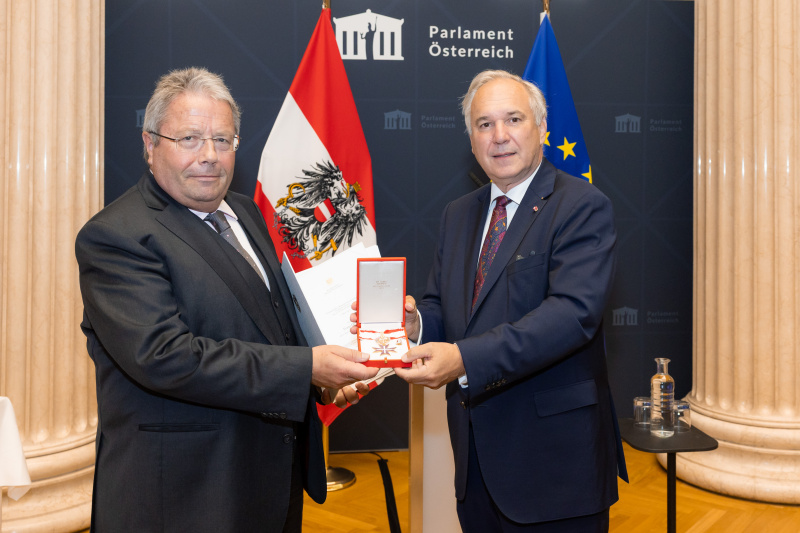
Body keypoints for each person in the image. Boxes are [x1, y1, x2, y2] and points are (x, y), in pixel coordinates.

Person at [75, 67, 378, 532]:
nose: (210, 157)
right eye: (190, 139)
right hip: (182, 496)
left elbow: (268, 322)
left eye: (223, 140)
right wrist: (305, 369)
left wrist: (324, 377)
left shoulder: (244, 210)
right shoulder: (116, 236)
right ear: (150, 143)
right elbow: (165, 358)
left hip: (265, 481)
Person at [396, 70, 628, 531]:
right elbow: (444, 305)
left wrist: (462, 359)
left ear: (541, 128)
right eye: (484, 124)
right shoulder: (458, 214)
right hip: (475, 462)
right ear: (471, 137)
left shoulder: (581, 205)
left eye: (513, 119)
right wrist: (415, 325)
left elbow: (570, 317)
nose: (499, 136)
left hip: (555, 468)